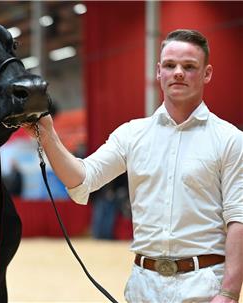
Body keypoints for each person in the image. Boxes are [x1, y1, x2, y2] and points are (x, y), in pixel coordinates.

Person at [29, 29, 243, 302]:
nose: (178, 72)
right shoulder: (131, 135)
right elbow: (83, 178)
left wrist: (229, 292)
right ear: (158, 71)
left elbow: (239, 218)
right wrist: (47, 133)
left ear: (207, 74)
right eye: (170, 65)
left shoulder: (230, 140)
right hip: (143, 287)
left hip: (204, 288)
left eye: (189, 67)